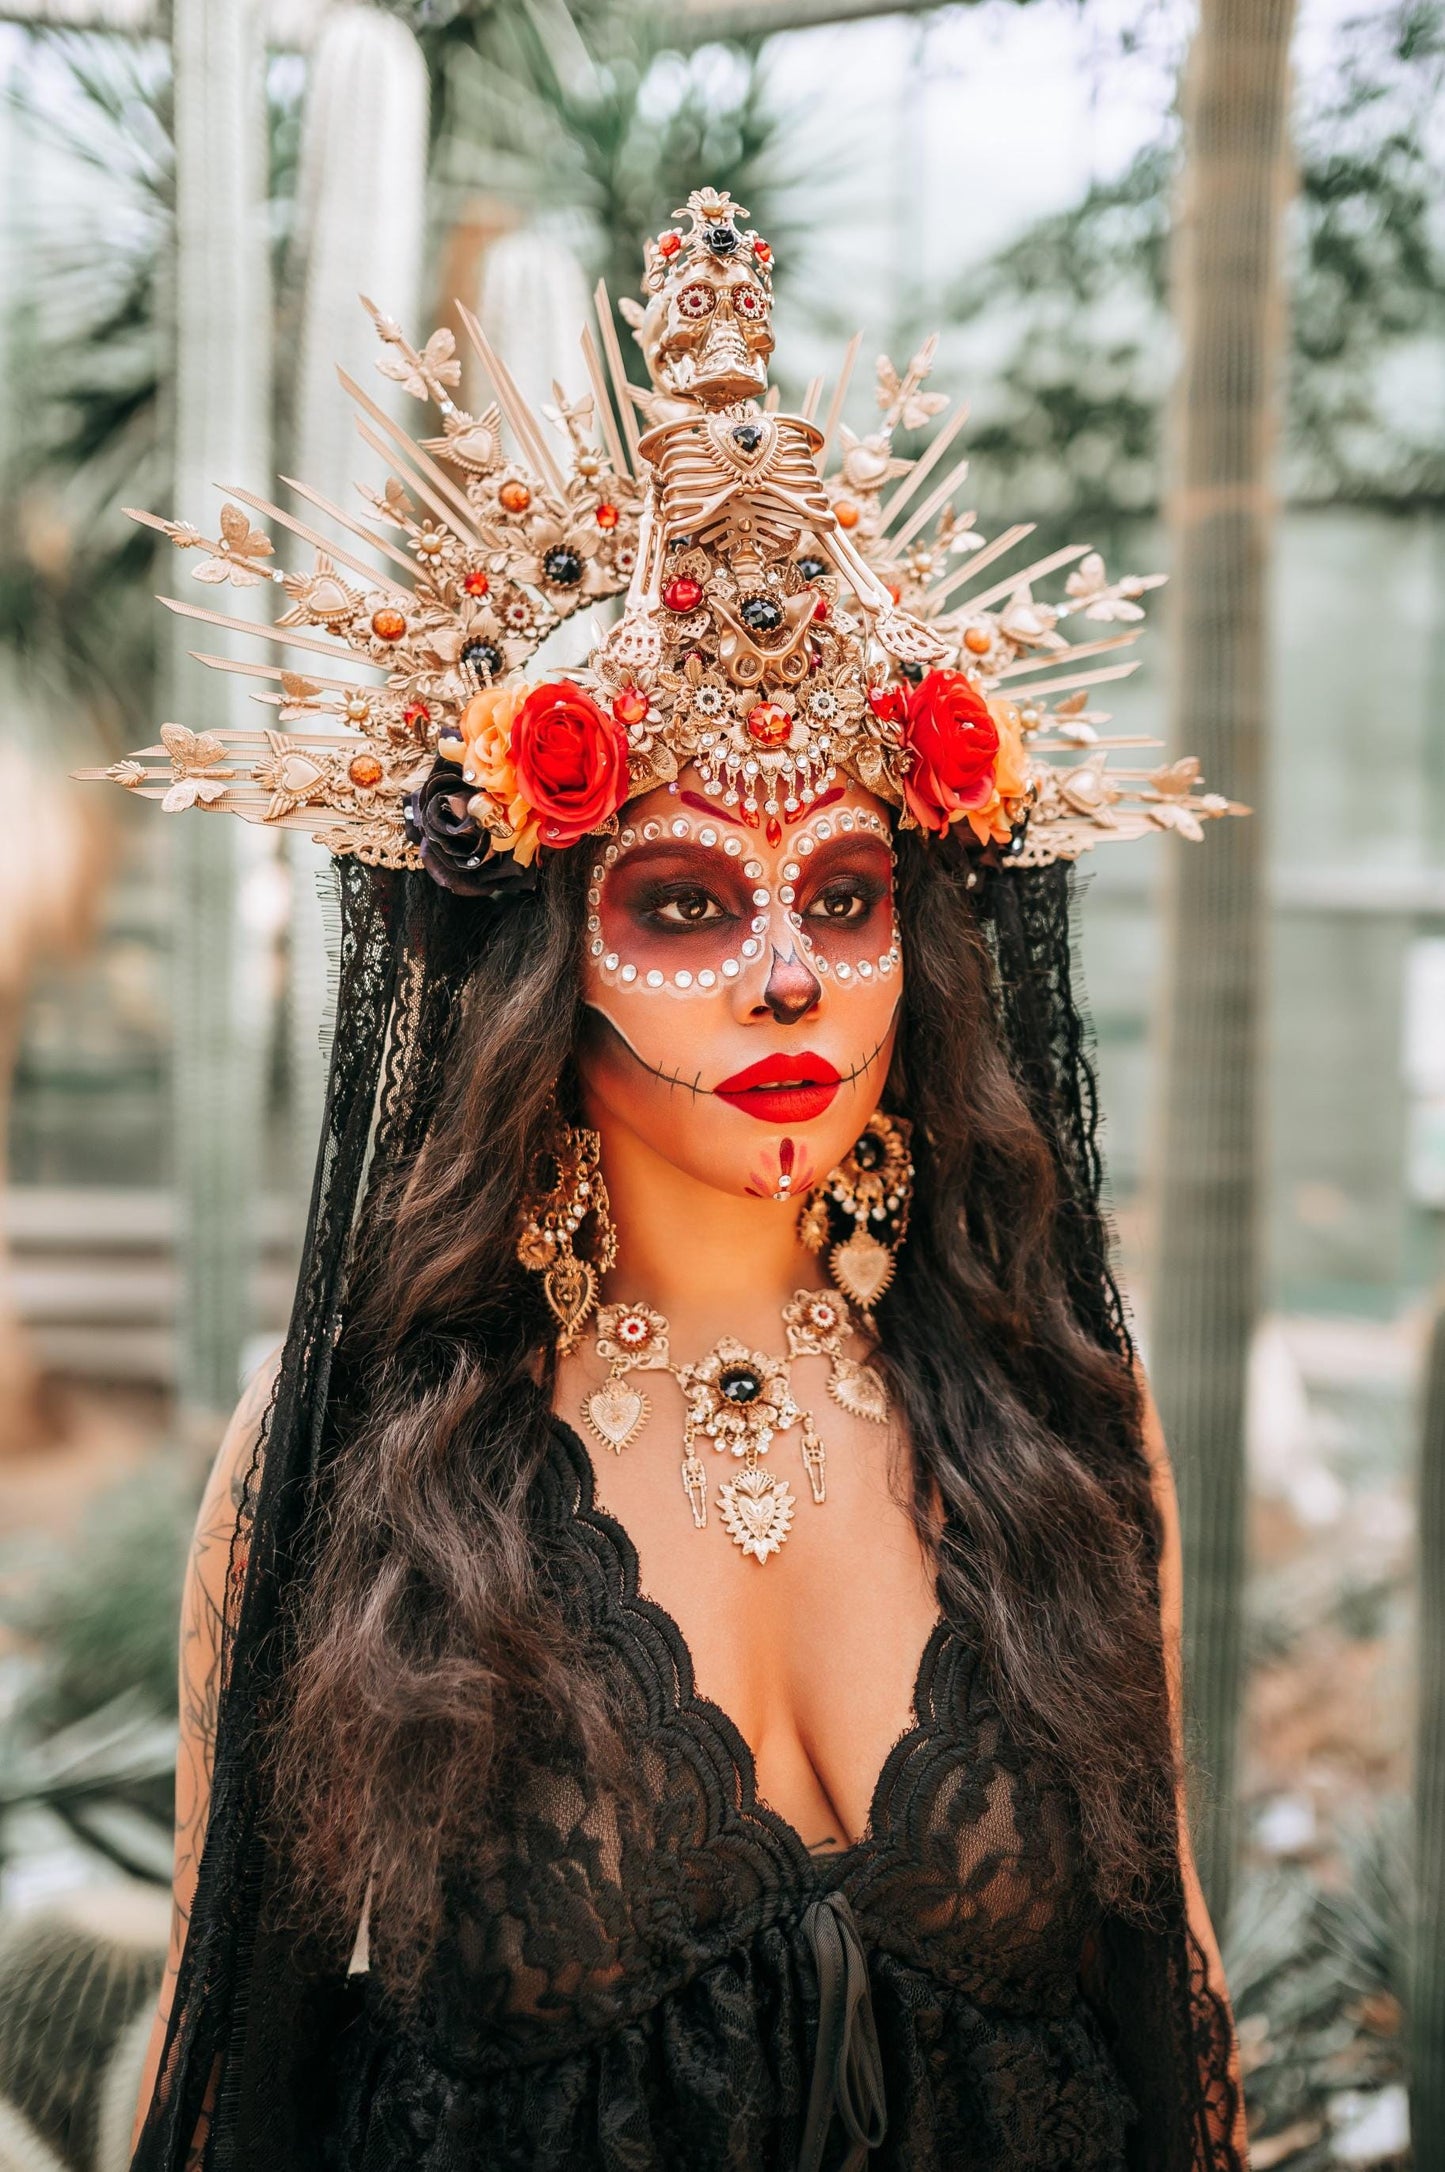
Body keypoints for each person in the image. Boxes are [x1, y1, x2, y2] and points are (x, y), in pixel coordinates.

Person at [94, 189, 1248, 2171]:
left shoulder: (1057, 1418)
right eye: (691, 899)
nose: (792, 970)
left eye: (854, 894)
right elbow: (230, 2086)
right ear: (541, 952)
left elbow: (1182, 2027)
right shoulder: (363, 1452)